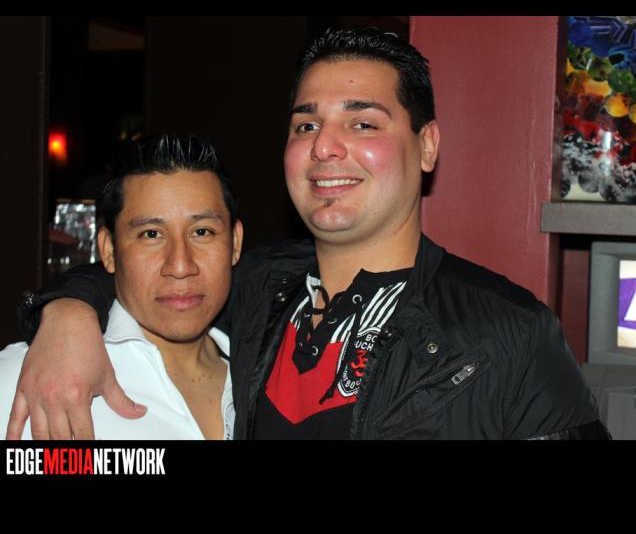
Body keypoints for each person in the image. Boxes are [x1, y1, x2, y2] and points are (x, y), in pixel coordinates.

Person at [8, 27, 610, 440]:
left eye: (362, 122)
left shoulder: (509, 334)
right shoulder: (254, 289)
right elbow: (149, 274)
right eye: (306, 124)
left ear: (426, 145)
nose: (324, 146)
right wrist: (67, 316)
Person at [1, 134, 243, 439]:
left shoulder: (269, 371)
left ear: (235, 243)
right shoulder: (30, 383)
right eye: (151, 234)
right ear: (108, 250)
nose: (181, 266)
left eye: (202, 232)